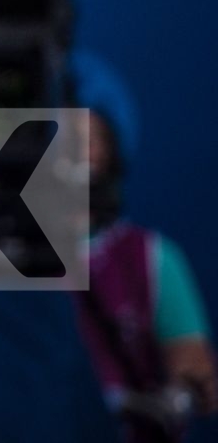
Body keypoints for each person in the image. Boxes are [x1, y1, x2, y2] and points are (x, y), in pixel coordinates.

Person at [80, 109, 218, 441]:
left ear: (107, 155)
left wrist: (175, 397)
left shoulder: (151, 257)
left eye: (85, 140)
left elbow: (199, 377)